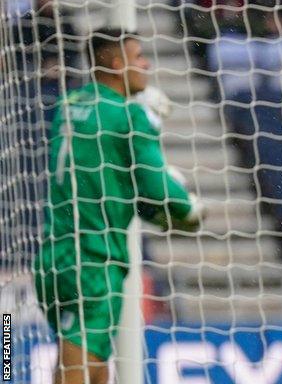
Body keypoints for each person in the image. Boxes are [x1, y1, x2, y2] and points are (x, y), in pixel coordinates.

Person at [33, 29, 202, 384]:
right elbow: (158, 190)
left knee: (93, 363)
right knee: (77, 362)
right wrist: (191, 209)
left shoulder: (69, 105)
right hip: (95, 257)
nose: (146, 64)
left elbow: (113, 179)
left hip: (55, 253)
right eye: (139, 56)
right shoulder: (128, 117)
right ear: (115, 63)